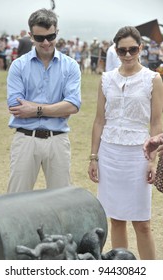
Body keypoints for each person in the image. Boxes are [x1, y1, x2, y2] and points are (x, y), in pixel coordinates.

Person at [88, 26, 163, 260]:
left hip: (139, 155)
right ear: (116, 51)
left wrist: (153, 161)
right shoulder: (106, 79)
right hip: (109, 154)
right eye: (122, 50)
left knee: (142, 223)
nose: (128, 54)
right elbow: (99, 120)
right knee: (116, 220)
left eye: (132, 49)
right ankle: (122, 270)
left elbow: (157, 122)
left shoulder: (153, 79)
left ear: (140, 48)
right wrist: (94, 157)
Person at [7, 8, 81, 193]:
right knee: (16, 201)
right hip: (25, 139)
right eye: (40, 38)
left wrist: (34, 109)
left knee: (61, 201)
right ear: (31, 36)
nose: (46, 42)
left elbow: (72, 106)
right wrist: (58, 108)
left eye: (51, 36)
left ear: (57, 33)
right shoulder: (18, 65)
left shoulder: (71, 66)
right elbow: (16, 107)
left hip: (58, 140)